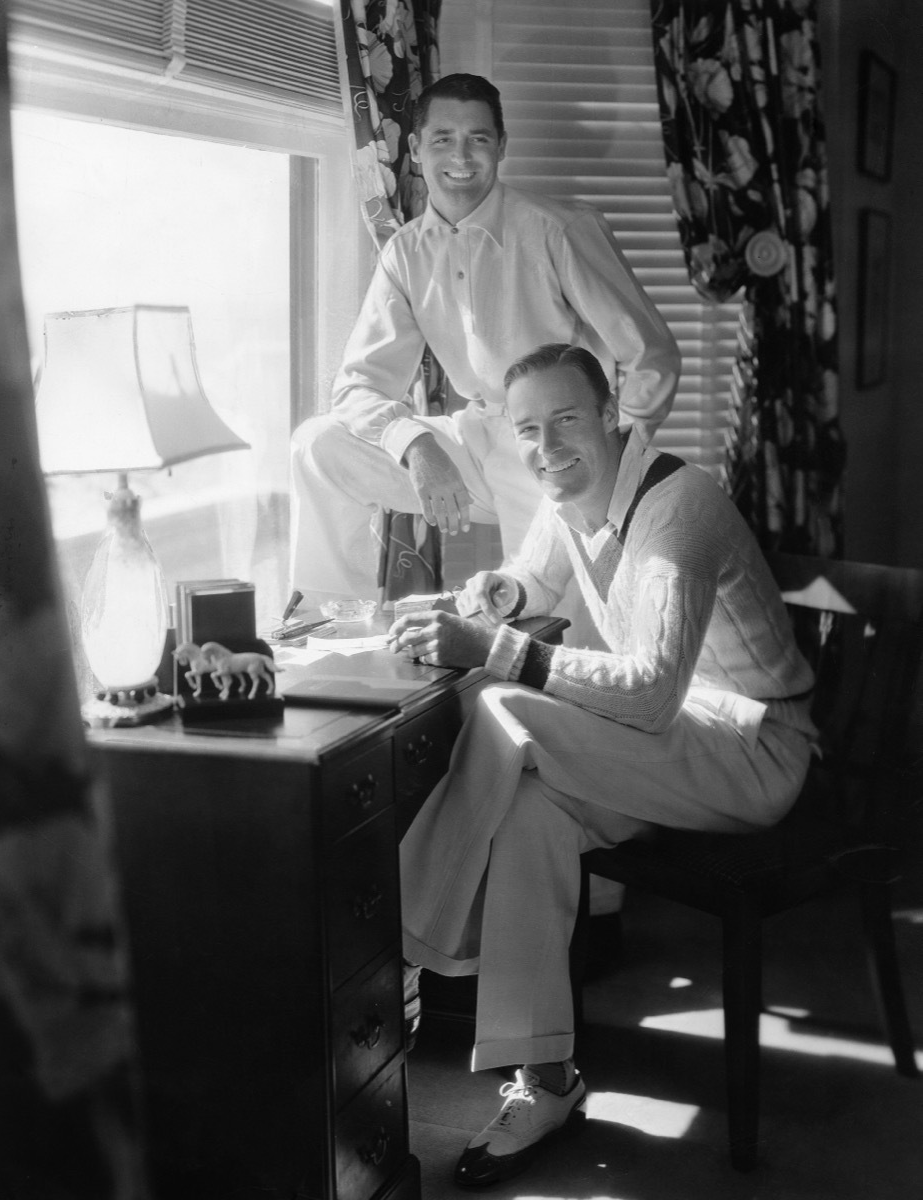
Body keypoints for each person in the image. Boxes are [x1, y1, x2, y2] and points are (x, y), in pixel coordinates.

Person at [386, 343, 817, 1188]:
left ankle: (401, 939)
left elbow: (652, 694)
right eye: (529, 431)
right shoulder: (571, 499)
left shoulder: (677, 506)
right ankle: (544, 1080)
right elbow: (528, 586)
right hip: (677, 748)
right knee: (529, 816)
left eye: (568, 420)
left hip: (756, 751)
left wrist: (496, 649)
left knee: (503, 707)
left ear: (613, 410)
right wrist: (470, 606)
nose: (547, 447)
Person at [289, 73, 680, 619]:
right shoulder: (404, 253)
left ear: (501, 147)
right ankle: (334, 622)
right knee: (319, 445)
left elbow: (651, 355)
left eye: (479, 138)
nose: (461, 156)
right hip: (473, 441)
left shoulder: (558, 230)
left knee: (549, 628)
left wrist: (616, 460)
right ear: (417, 148)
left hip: (559, 448)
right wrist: (415, 445)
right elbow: (357, 386)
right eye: (443, 138)